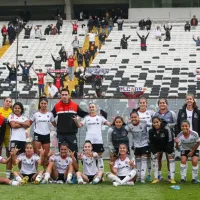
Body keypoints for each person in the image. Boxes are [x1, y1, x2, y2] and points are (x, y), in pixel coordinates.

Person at [73, 103, 110, 171]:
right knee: (88, 157)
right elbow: (79, 126)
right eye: (90, 107)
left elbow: (109, 124)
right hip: (88, 142)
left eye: (93, 107)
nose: (91, 108)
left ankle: (100, 174)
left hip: (98, 141)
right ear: (88, 109)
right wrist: (76, 120)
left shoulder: (100, 118)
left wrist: (114, 121)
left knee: (99, 157)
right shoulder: (86, 118)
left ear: (96, 108)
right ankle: (90, 173)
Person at [51, 88, 88, 159]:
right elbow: (50, 116)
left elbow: (84, 114)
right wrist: (55, 125)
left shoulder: (75, 105)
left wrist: (93, 114)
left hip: (72, 134)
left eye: (66, 95)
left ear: (69, 96)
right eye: (62, 95)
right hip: (60, 134)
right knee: (61, 154)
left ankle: (75, 169)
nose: (64, 96)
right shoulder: (57, 106)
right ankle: (62, 169)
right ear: (60, 96)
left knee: (73, 153)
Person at [154, 98, 176, 181]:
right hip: (158, 139)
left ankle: (170, 175)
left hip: (168, 139)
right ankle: (159, 175)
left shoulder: (171, 113)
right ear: (158, 104)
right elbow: (153, 124)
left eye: (164, 103)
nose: (162, 104)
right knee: (158, 157)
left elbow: (176, 124)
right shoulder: (155, 114)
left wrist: (167, 126)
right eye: (160, 103)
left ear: (166, 104)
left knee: (168, 157)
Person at [125, 110, 150, 183]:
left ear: (138, 117)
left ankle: (142, 178)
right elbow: (124, 130)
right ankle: (138, 177)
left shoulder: (144, 122)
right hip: (136, 145)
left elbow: (153, 125)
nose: (134, 119)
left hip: (145, 144)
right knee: (138, 161)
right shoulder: (129, 124)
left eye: (135, 117)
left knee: (144, 160)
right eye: (132, 117)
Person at [30, 97, 56, 165]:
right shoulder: (36, 114)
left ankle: (46, 172)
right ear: (40, 104)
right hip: (37, 135)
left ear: (47, 104)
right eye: (42, 103)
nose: (43, 105)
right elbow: (29, 122)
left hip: (46, 135)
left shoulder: (50, 114)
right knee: (37, 154)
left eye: (45, 103)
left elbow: (55, 124)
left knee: (45, 155)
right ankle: (34, 171)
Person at [149, 116, 175, 184]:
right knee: (157, 158)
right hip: (157, 146)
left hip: (167, 145)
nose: (156, 124)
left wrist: (169, 151)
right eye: (154, 122)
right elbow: (150, 142)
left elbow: (170, 139)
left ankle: (170, 176)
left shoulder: (166, 128)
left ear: (160, 122)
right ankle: (158, 176)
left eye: (157, 122)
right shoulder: (151, 131)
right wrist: (154, 151)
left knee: (169, 159)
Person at [137, 97, 154, 181]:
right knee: (140, 157)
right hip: (138, 139)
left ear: (146, 104)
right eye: (141, 102)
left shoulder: (151, 113)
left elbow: (155, 122)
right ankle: (139, 174)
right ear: (139, 104)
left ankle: (149, 174)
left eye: (144, 102)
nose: (142, 104)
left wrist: (146, 124)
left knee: (149, 156)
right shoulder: (135, 113)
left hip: (149, 137)